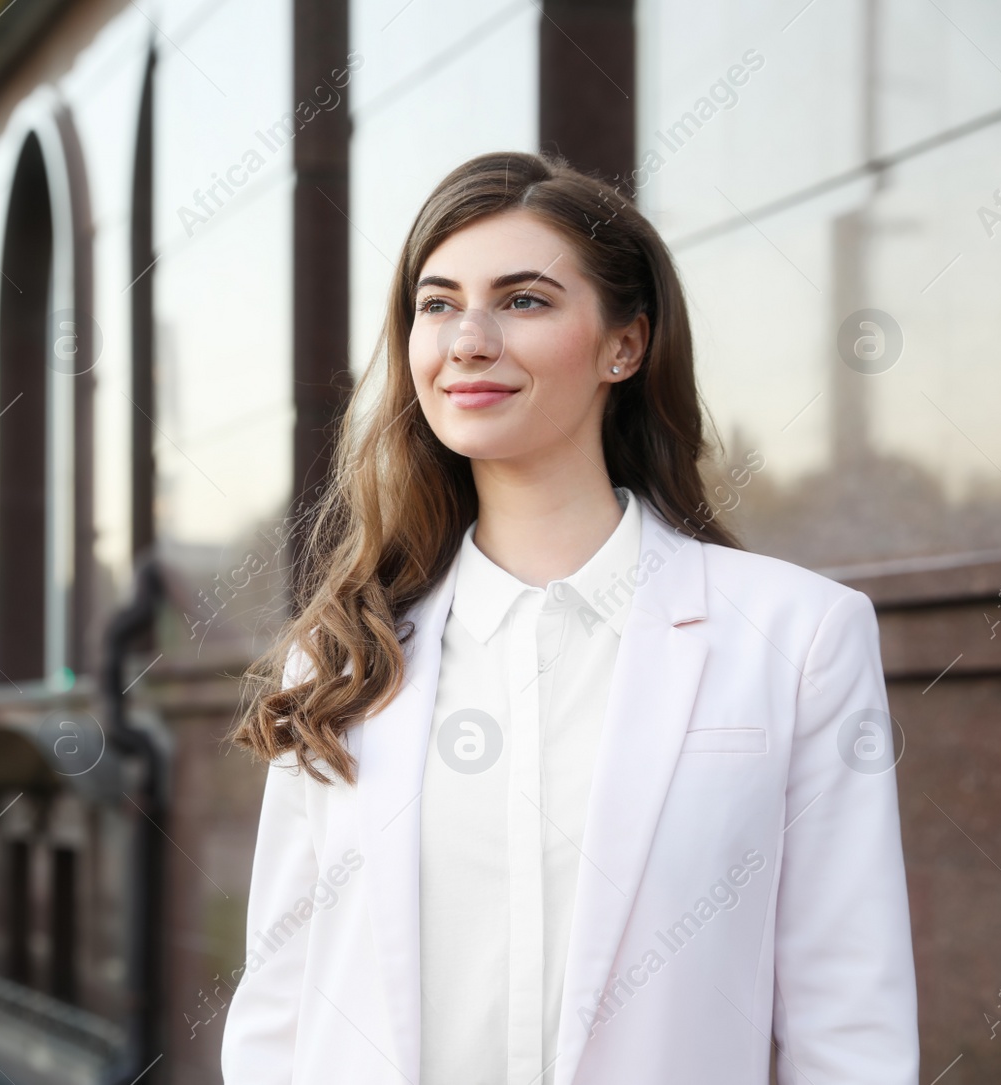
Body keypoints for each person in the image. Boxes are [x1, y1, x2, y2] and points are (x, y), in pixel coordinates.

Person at [219, 151, 918, 1085]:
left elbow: (849, 1016)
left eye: (524, 300)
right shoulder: (343, 659)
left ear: (623, 345)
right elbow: (279, 1006)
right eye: (437, 303)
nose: (468, 339)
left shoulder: (797, 638)